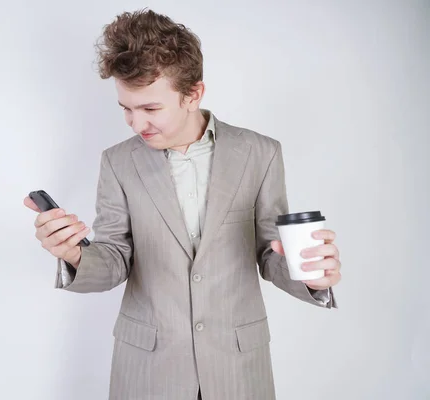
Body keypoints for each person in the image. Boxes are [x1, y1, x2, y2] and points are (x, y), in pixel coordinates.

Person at [24, 8, 341, 400]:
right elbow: (115, 258)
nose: (136, 124)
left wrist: (308, 275)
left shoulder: (261, 153)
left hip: (237, 367)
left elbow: (269, 252)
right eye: (126, 108)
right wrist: (74, 255)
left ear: (193, 94)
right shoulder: (118, 161)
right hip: (148, 368)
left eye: (151, 109)